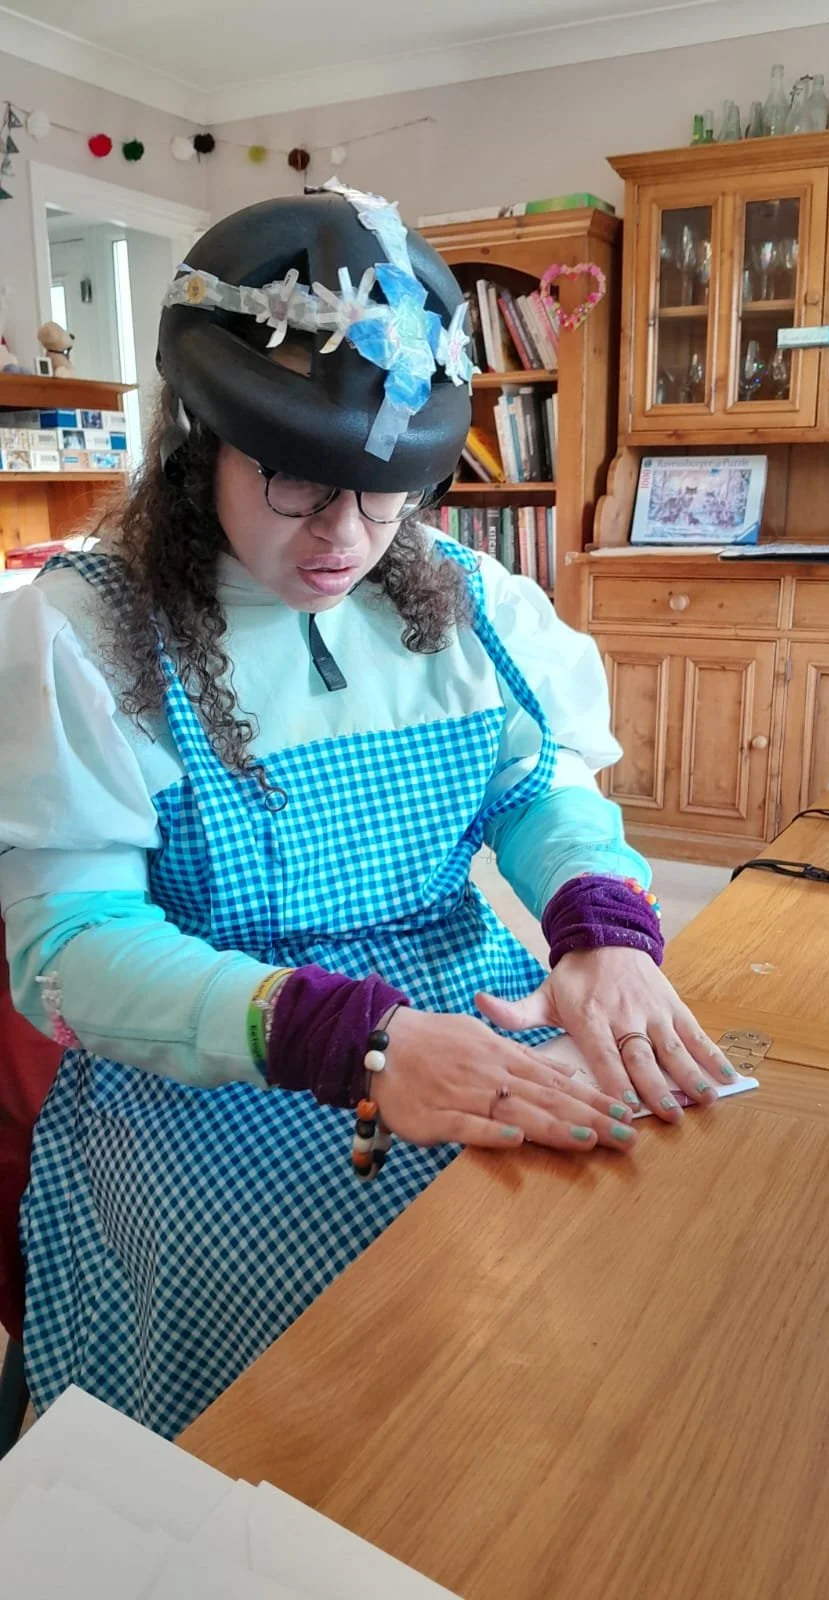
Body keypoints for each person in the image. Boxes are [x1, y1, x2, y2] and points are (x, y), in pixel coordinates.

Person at [0, 182, 733, 1438]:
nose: (348, 536)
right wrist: (359, 1044)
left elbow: (537, 784)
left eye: (388, 490)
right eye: (295, 481)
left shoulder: (461, 598)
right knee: (350, 1367)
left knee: (622, 1240)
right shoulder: (86, 636)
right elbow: (68, 948)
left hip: (456, 1004)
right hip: (211, 1063)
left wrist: (601, 926)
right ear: (200, 446)